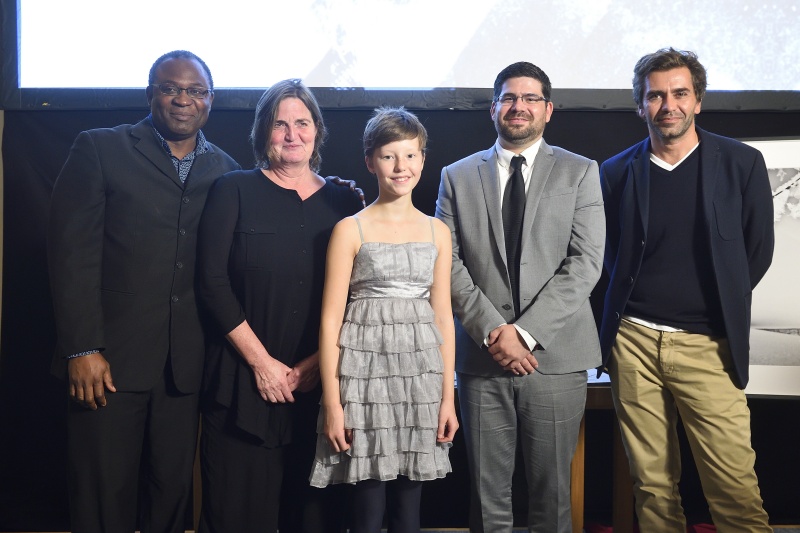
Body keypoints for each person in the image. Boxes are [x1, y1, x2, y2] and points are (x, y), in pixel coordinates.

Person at [47, 50, 240, 533]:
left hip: (185, 367)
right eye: (170, 87)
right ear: (149, 93)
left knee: (171, 494)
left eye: (195, 91)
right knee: (101, 497)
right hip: (106, 364)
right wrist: (82, 347)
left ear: (210, 101)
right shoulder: (99, 149)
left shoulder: (227, 170)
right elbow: (71, 255)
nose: (182, 99)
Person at [598, 48, 774, 532]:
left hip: (708, 345)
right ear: (641, 105)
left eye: (680, 93)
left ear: (698, 100)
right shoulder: (615, 172)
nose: (668, 104)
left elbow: (755, 253)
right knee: (653, 490)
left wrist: (715, 304)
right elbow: (609, 258)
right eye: (655, 95)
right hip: (633, 343)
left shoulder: (741, 163)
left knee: (735, 490)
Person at [435, 62, 605, 532]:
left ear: (548, 110)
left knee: (552, 497)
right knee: (488, 499)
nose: (519, 107)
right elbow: (446, 263)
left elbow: (586, 263)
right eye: (509, 98)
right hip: (481, 357)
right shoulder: (457, 176)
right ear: (493, 108)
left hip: (555, 356)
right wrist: (495, 332)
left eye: (530, 99)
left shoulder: (580, 172)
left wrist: (525, 334)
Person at [195, 78, 363, 533]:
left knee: (313, 519)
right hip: (241, 385)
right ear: (262, 133)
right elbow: (210, 283)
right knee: (235, 515)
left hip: (320, 390)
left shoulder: (346, 200)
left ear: (318, 131)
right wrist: (263, 364)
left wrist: (313, 365)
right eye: (279, 124)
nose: (292, 134)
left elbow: (359, 295)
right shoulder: (232, 190)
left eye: (302, 123)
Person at [308, 107, 457, 533]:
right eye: (390, 156)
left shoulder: (437, 232)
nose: (401, 167)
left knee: (409, 513)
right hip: (365, 383)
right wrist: (333, 406)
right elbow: (330, 321)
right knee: (368, 511)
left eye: (410, 156)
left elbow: (443, 319)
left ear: (423, 160)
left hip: (419, 383)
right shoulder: (350, 229)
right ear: (370, 161)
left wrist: (446, 399)